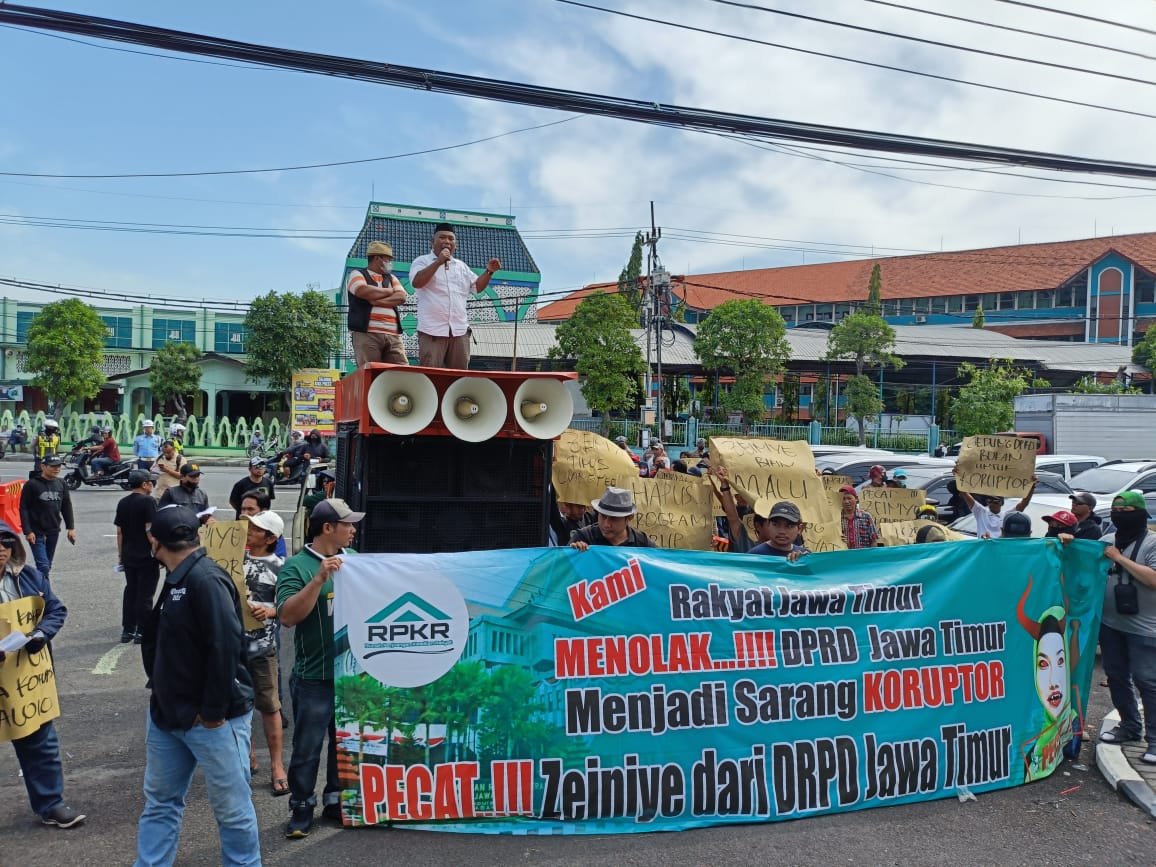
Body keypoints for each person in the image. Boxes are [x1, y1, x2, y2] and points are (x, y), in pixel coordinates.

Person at [134, 505, 260, 866]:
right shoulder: (178, 576)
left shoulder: (205, 579)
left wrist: (213, 712)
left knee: (232, 811)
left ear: (154, 540)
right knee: (160, 803)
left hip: (211, 721)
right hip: (168, 717)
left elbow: (225, 646)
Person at [276, 498, 364, 839]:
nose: (354, 529)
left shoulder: (356, 561)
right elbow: (287, 617)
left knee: (344, 744)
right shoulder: (297, 566)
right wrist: (319, 579)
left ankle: (335, 800)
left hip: (350, 675)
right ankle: (301, 806)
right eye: (348, 524)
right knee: (307, 747)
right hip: (314, 677)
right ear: (327, 528)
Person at [0, 522, 87, 829]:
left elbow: (55, 610)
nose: (1, 549)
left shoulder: (27, 576)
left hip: (24, 679)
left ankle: (51, 803)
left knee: (40, 742)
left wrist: (40, 635)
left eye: (6, 542)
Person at [1094, 490, 1156, 764]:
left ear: (1141, 514)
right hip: (1111, 624)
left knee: (1148, 683)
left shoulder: (1152, 543)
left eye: (1127, 512)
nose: (1120, 516)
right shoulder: (1106, 541)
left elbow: (1153, 580)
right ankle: (1130, 727)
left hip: (1144, 629)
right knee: (1117, 677)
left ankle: (1154, 741)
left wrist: (1118, 559)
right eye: (1116, 511)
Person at [408, 222, 501, 369]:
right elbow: (417, 282)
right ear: (432, 242)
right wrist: (438, 261)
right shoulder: (422, 261)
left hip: (459, 332)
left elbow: (477, 287)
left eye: (451, 239)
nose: (447, 241)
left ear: (455, 245)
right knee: (430, 377)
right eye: (442, 238)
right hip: (432, 332)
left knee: (458, 378)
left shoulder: (461, 266)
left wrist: (489, 271)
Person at [242, 509, 288, 797]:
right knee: (238, 706)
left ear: (270, 538)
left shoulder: (281, 567)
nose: (248, 530)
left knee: (270, 707)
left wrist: (271, 610)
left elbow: (289, 608)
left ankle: (277, 765)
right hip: (232, 648)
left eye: (255, 528)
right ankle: (248, 756)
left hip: (263, 648)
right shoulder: (233, 560)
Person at [346, 240, 409, 368]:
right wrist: (390, 291)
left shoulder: (391, 278)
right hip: (367, 334)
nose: (390, 263)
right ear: (377, 258)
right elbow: (362, 290)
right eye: (388, 259)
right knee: (371, 371)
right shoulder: (357, 274)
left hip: (393, 335)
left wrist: (377, 301)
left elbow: (402, 296)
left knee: (402, 370)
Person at [114, 469, 159, 644]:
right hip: (146, 555)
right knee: (145, 594)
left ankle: (128, 629)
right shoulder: (149, 502)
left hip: (128, 554)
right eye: (151, 482)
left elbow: (119, 532)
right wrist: (157, 551)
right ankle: (143, 630)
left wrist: (120, 555)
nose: (153, 485)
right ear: (144, 484)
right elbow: (150, 530)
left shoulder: (123, 502)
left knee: (131, 591)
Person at [18, 455, 76, 581]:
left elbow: (66, 506)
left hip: (53, 530)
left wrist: (71, 528)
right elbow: (24, 508)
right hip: (36, 531)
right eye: (53, 466)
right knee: (43, 566)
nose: (57, 469)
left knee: (47, 565)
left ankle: (41, 590)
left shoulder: (61, 483)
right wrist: (27, 531)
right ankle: (45, 593)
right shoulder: (32, 484)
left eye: (59, 466)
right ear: (43, 466)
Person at [952, 468, 1037, 539]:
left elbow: (1023, 503)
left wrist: (1032, 487)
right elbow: (965, 494)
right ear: (987, 502)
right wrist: (958, 476)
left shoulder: (1008, 516)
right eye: (990, 501)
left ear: (1001, 503)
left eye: (996, 502)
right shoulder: (981, 512)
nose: (992, 504)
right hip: (984, 550)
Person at [569, 487, 656, 551]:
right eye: (603, 516)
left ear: (629, 518)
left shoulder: (642, 543)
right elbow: (561, 567)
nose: (606, 524)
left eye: (614, 519)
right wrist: (573, 552)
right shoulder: (584, 537)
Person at [838, 485, 880, 549]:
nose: (846, 502)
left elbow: (874, 541)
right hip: (845, 556)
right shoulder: (837, 518)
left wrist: (872, 557)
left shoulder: (866, 517)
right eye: (843, 499)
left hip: (864, 557)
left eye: (849, 498)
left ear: (856, 498)